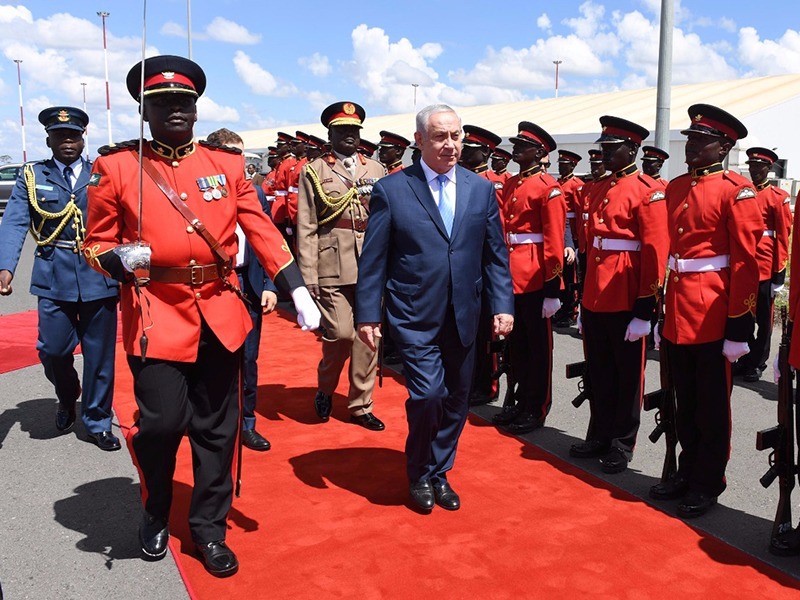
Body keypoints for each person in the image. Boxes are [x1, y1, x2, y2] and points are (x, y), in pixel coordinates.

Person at [82, 55, 320, 577]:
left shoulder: (226, 165)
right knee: (163, 424)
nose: (175, 110)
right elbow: (94, 242)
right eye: (162, 102)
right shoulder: (118, 167)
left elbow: (260, 229)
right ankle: (155, 509)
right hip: (155, 315)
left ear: (196, 109)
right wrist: (116, 260)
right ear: (144, 111)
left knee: (218, 430)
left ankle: (209, 530)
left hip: (218, 311)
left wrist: (294, 287)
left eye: (184, 102)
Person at [355, 104, 514, 511]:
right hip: (412, 314)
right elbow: (374, 259)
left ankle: (439, 471)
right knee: (427, 395)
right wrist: (368, 314)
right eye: (441, 137)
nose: (451, 145)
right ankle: (419, 471)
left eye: (456, 136)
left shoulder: (480, 189)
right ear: (420, 141)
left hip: (465, 313)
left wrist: (503, 305)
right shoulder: (392, 190)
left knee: (457, 399)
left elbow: (495, 254)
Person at [649, 104, 761, 518]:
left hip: (714, 312)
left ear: (724, 146)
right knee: (683, 401)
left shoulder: (737, 191)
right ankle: (683, 470)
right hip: (679, 310)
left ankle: (707, 480)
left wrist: (739, 325)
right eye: (690, 138)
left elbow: (748, 264)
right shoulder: (676, 187)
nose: (691, 145)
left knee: (711, 407)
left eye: (701, 140)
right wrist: (660, 311)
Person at [0, 106, 121, 451]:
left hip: (98, 273)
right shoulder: (32, 175)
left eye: (74, 136)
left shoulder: (103, 173)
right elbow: (14, 222)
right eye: (60, 135)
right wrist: (5, 267)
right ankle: (68, 397)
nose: (68, 141)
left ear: (83, 139)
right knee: (52, 350)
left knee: (100, 355)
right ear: (49, 139)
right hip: (53, 274)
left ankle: (97, 420)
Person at [572, 116, 669, 474]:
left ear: (632, 149)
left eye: (612, 149)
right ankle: (598, 433)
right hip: (598, 292)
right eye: (604, 148)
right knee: (598, 370)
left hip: (627, 292)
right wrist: (584, 299)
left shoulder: (647, 190)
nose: (605, 154)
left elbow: (655, 252)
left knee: (628, 376)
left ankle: (621, 443)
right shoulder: (599, 187)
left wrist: (645, 309)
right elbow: (591, 248)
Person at [296, 101, 387, 431]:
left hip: (371, 264)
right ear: (330, 134)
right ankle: (325, 386)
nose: (349, 136)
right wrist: (307, 276)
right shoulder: (314, 171)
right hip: (331, 261)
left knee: (368, 336)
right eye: (342, 130)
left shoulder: (375, 170)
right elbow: (306, 224)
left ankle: (361, 404)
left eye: (354, 131)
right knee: (341, 334)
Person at [205, 127, 279, 452]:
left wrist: (270, 285)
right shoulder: (200, 194)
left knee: (249, 359)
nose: (240, 162)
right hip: (213, 289)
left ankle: (247, 423)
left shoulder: (256, 193)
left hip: (248, 286)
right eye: (232, 154)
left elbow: (265, 241)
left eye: (242, 154)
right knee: (211, 360)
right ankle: (212, 422)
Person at [490, 121, 565, 434]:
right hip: (512, 274)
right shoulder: (511, 185)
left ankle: (536, 407)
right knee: (516, 346)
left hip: (535, 277)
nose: (516, 149)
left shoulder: (549, 188)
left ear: (539, 153)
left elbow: (554, 241)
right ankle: (518, 401)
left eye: (523, 146)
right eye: (516, 145)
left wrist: (552, 289)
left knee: (537, 349)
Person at [733, 147, 791, 382]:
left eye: (760, 166)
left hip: (765, 268)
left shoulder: (777, 197)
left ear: (769, 169)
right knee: (742, 316)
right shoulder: (741, 193)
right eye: (753, 166)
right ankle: (744, 358)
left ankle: (758, 362)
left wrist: (779, 274)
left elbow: (782, 237)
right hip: (742, 267)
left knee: (764, 322)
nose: (755, 170)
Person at [459, 125, 505, 406]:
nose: (464, 151)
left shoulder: (492, 184)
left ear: (485, 153)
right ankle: (470, 380)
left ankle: (487, 383)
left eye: (471, 148)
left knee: (486, 333)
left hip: (483, 266)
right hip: (466, 265)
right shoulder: (464, 180)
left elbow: (497, 233)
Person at [553, 149, 583, 328]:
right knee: (561, 272)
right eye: (560, 163)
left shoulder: (576, 185)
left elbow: (579, 213)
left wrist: (577, 238)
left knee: (571, 276)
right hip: (560, 234)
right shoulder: (558, 183)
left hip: (571, 234)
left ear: (572, 165)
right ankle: (562, 308)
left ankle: (571, 310)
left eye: (564, 164)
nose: (561, 166)